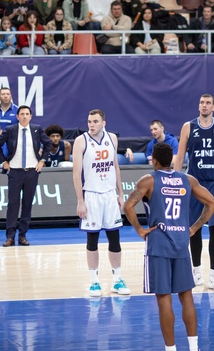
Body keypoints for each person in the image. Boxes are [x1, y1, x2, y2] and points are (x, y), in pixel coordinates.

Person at [123, 142, 214, 351]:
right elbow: (213, 203)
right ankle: (194, 347)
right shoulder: (188, 180)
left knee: (164, 298)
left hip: (158, 244)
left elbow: (128, 206)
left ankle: (171, 349)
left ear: (154, 160)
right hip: (181, 243)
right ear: (171, 160)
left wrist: (140, 230)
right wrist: (194, 228)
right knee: (186, 296)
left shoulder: (148, 180)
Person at [173, 94, 214, 291]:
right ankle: (196, 272)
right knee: (194, 228)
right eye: (201, 102)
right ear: (198, 106)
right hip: (194, 183)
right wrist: (174, 180)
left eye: (208, 103)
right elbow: (180, 156)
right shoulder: (188, 127)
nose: (204, 105)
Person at [72, 109, 130, 297]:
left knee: (115, 238)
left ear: (103, 123)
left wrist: (120, 193)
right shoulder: (81, 141)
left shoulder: (112, 138)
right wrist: (80, 201)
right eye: (89, 121)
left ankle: (117, 279)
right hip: (91, 195)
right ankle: (94, 281)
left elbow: (116, 167)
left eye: (95, 121)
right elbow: (76, 174)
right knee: (92, 239)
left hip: (109, 194)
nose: (91, 124)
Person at [0, 105, 52, 247]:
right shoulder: (10, 130)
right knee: (13, 204)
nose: (24, 116)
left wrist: (42, 161)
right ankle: (10, 237)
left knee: (27, 204)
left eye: (27, 114)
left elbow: (48, 143)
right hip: (15, 171)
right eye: (22, 114)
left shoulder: (36, 129)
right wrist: (3, 162)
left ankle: (23, 236)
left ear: (31, 116)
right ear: (17, 116)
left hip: (32, 171)